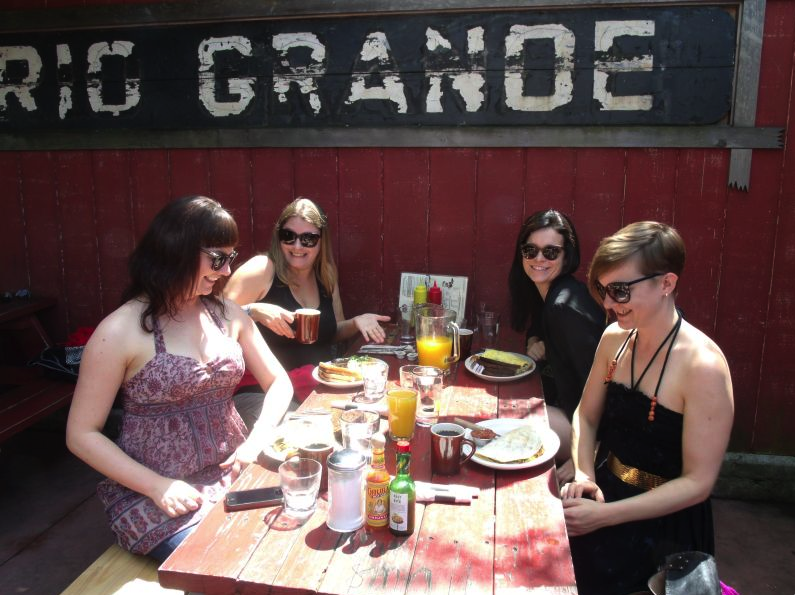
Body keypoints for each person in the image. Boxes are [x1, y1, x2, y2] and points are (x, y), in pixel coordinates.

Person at [66, 196, 293, 561]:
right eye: (218, 258)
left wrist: (257, 439)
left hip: (235, 469)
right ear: (177, 250)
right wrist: (157, 486)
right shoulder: (120, 331)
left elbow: (279, 382)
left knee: (289, 536)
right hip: (154, 492)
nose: (225, 271)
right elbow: (81, 434)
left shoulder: (227, 313)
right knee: (219, 560)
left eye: (230, 258)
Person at [561, 221, 734, 595]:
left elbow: (698, 483)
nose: (608, 303)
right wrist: (585, 476)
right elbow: (586, 415)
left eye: (620, 291)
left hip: (665, 532)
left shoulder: (703, 366)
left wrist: (603, 517)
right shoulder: (614, 339)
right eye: (604, 290)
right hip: (605, 496)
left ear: (666, 284)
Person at [224, 197, 390, 375]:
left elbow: (332, 331)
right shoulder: (262, 269)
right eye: (288, 236)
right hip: (264, 388)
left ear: (321, 241)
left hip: (317, 384)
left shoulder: (325, 273)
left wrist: (357, 322)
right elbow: (213, 320)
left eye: (308, 239)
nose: (297, 246)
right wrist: (253, 311)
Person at [508, 209, 604, 479]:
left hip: (595, 432)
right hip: (568, 411)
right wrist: (537, 340)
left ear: (567, 255)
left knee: (508, 423)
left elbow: (601, 385)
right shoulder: (549, 292)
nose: (539, 259)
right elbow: (538, 330)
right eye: (530, 250)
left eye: (550, 252)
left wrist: (586, 455)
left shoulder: (564, 307)